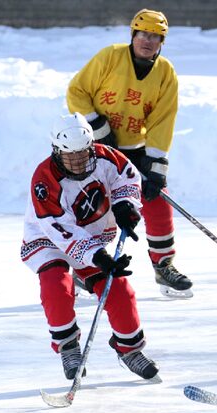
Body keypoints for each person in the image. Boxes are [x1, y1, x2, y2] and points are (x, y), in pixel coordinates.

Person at [21, 113, 159, 381]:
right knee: (57, 287)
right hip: (50, 240)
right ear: (56, 151)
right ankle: (68, 347)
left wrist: (125, 204)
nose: (77, 162)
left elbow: (127, 177)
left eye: (83, 154)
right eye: (70, 156)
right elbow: (60, 229)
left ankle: (129, 349)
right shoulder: (44, 180)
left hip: (92, 239)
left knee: (120, 290)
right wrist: (97, 256)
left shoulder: (105, 157)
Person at [66, 8, 193, 298]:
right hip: (95, 150)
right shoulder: (109, 57)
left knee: (156, 201)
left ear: (162, 42)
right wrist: (98, 128)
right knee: (96, 208)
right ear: (133, 35)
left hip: (133, 152)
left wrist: (156, 164)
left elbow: (162, 120)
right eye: (143, 34)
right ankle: (85, 271)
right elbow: (77, 92)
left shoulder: (165, 73)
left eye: (155, 37)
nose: (148, 41)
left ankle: (164, 266)